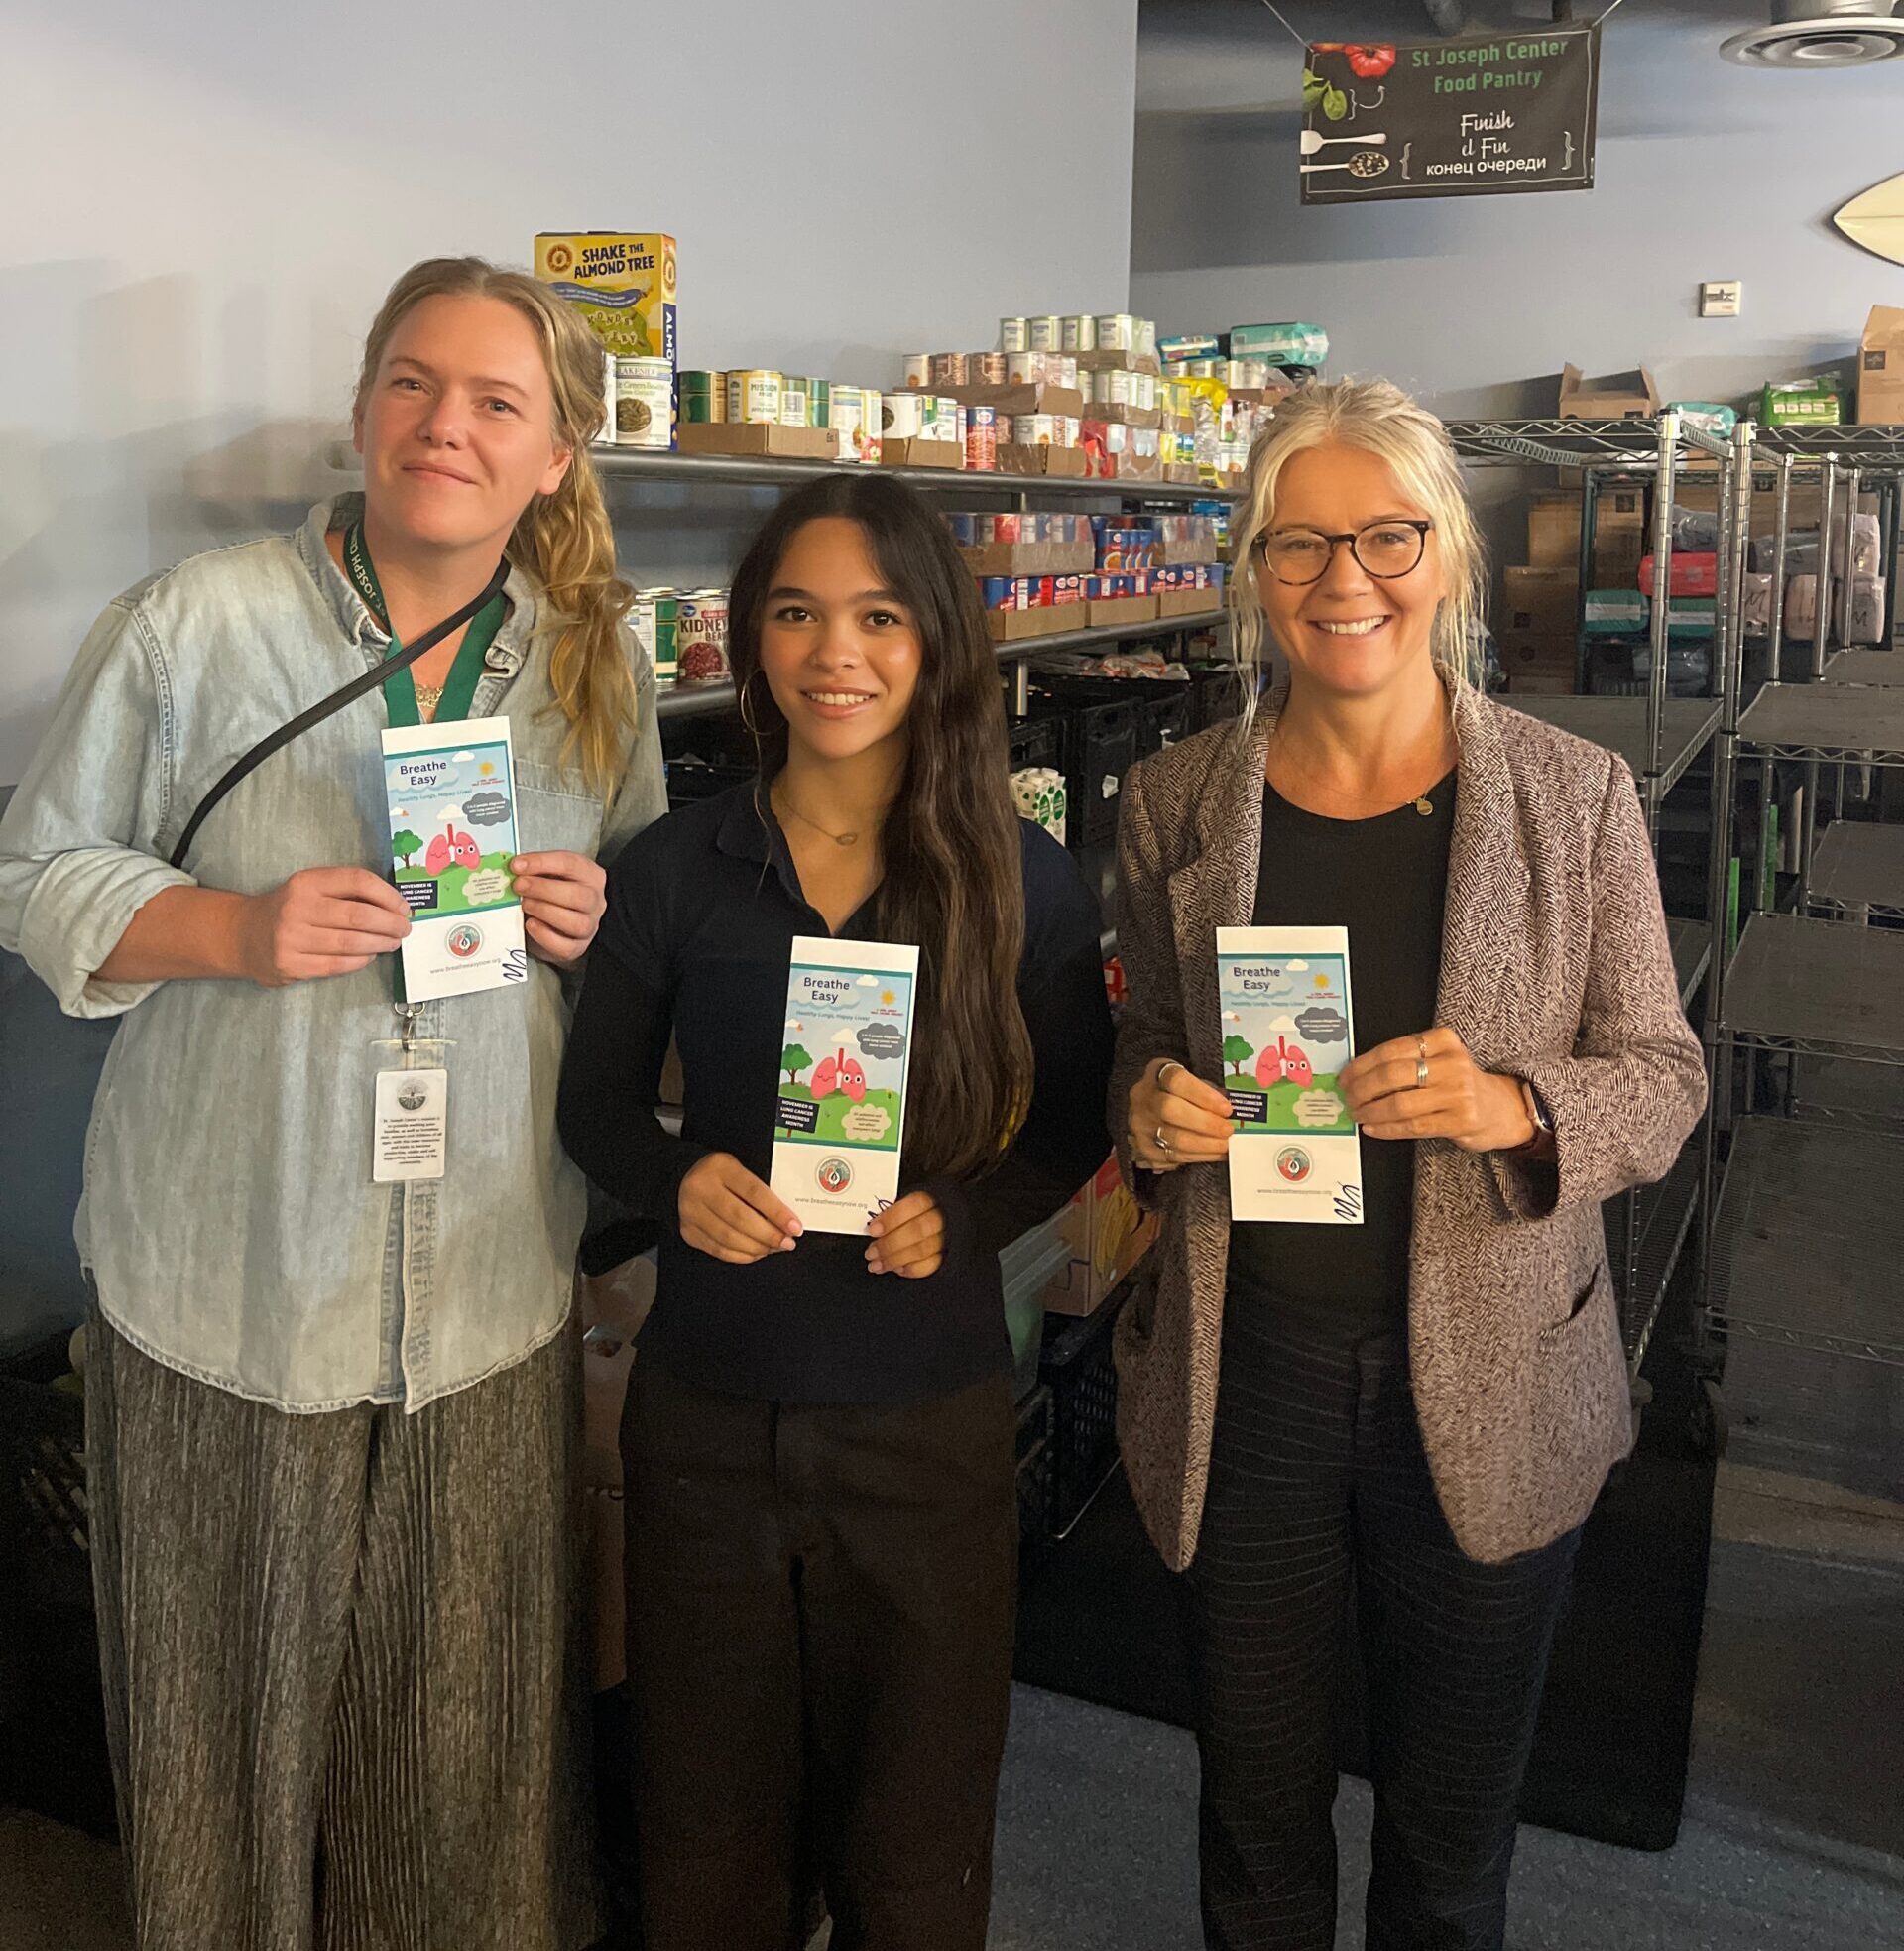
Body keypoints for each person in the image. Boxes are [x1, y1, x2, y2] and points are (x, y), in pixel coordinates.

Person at [0, 256, 665, 1951]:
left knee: (458, 1758)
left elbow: (644, 953)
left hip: (487, 1297)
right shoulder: (197, 624)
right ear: (367, 408)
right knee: (220, 1759)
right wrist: (228, 926)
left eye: (497, 402)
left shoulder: (589, 664)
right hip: (233, 1289)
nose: (446, 424)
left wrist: (597, 929)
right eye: (412, 384)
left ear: (557, 456)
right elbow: (37, 870)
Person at [1109, 378, 1708, 1951]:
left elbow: (1663, 1083)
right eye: (1300, 544)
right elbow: (1142, 1055)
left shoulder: (1574, 804)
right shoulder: (1178, 803)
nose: (1344, 581)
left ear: (1446, 552)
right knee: (1252, 1826)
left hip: (1501, 1368)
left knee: (1448, 1852)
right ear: (1255, 571)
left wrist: (1515, 1104)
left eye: (1386, 536)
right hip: (1253, 1382)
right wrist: (1151, 1110)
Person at [557, 472, 1114, 1951]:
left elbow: (1071, 1125)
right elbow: (593, 1109)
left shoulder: (1021, 880)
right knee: (709, 1826)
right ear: (752, 644)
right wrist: (678, 1178)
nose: (834, 653)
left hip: (923, 1421)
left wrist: (971, 1209)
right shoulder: (679, 867)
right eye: (795, 614)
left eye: (875, 616)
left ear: (934, 641)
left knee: (915, 1831)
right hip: (709, 1413)